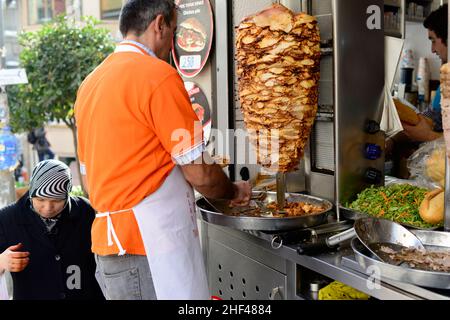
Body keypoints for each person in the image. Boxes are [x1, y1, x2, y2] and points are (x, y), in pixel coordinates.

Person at [74, 0, 251, 300]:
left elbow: (88, 182)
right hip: (146, 250)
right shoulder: (158, 76)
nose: (174, 43)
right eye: (174, 30)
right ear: (159, 24)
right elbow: (201, 173)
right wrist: (234, 192)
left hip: (108, 250)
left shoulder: (89, 85)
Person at [0, 160, 104, 300]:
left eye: (56, 200)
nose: (48, 207)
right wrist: (1, 262)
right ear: (31, 192)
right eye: (41, 199)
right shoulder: (8, 218)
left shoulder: (87, 212)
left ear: (67, 195)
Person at [387, 4, 447, 178]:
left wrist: (428, 136)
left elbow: (427, 131)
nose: (432, 50)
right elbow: (427, 120)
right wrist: (393, 140)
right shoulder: (445, 85)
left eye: (433, 40)